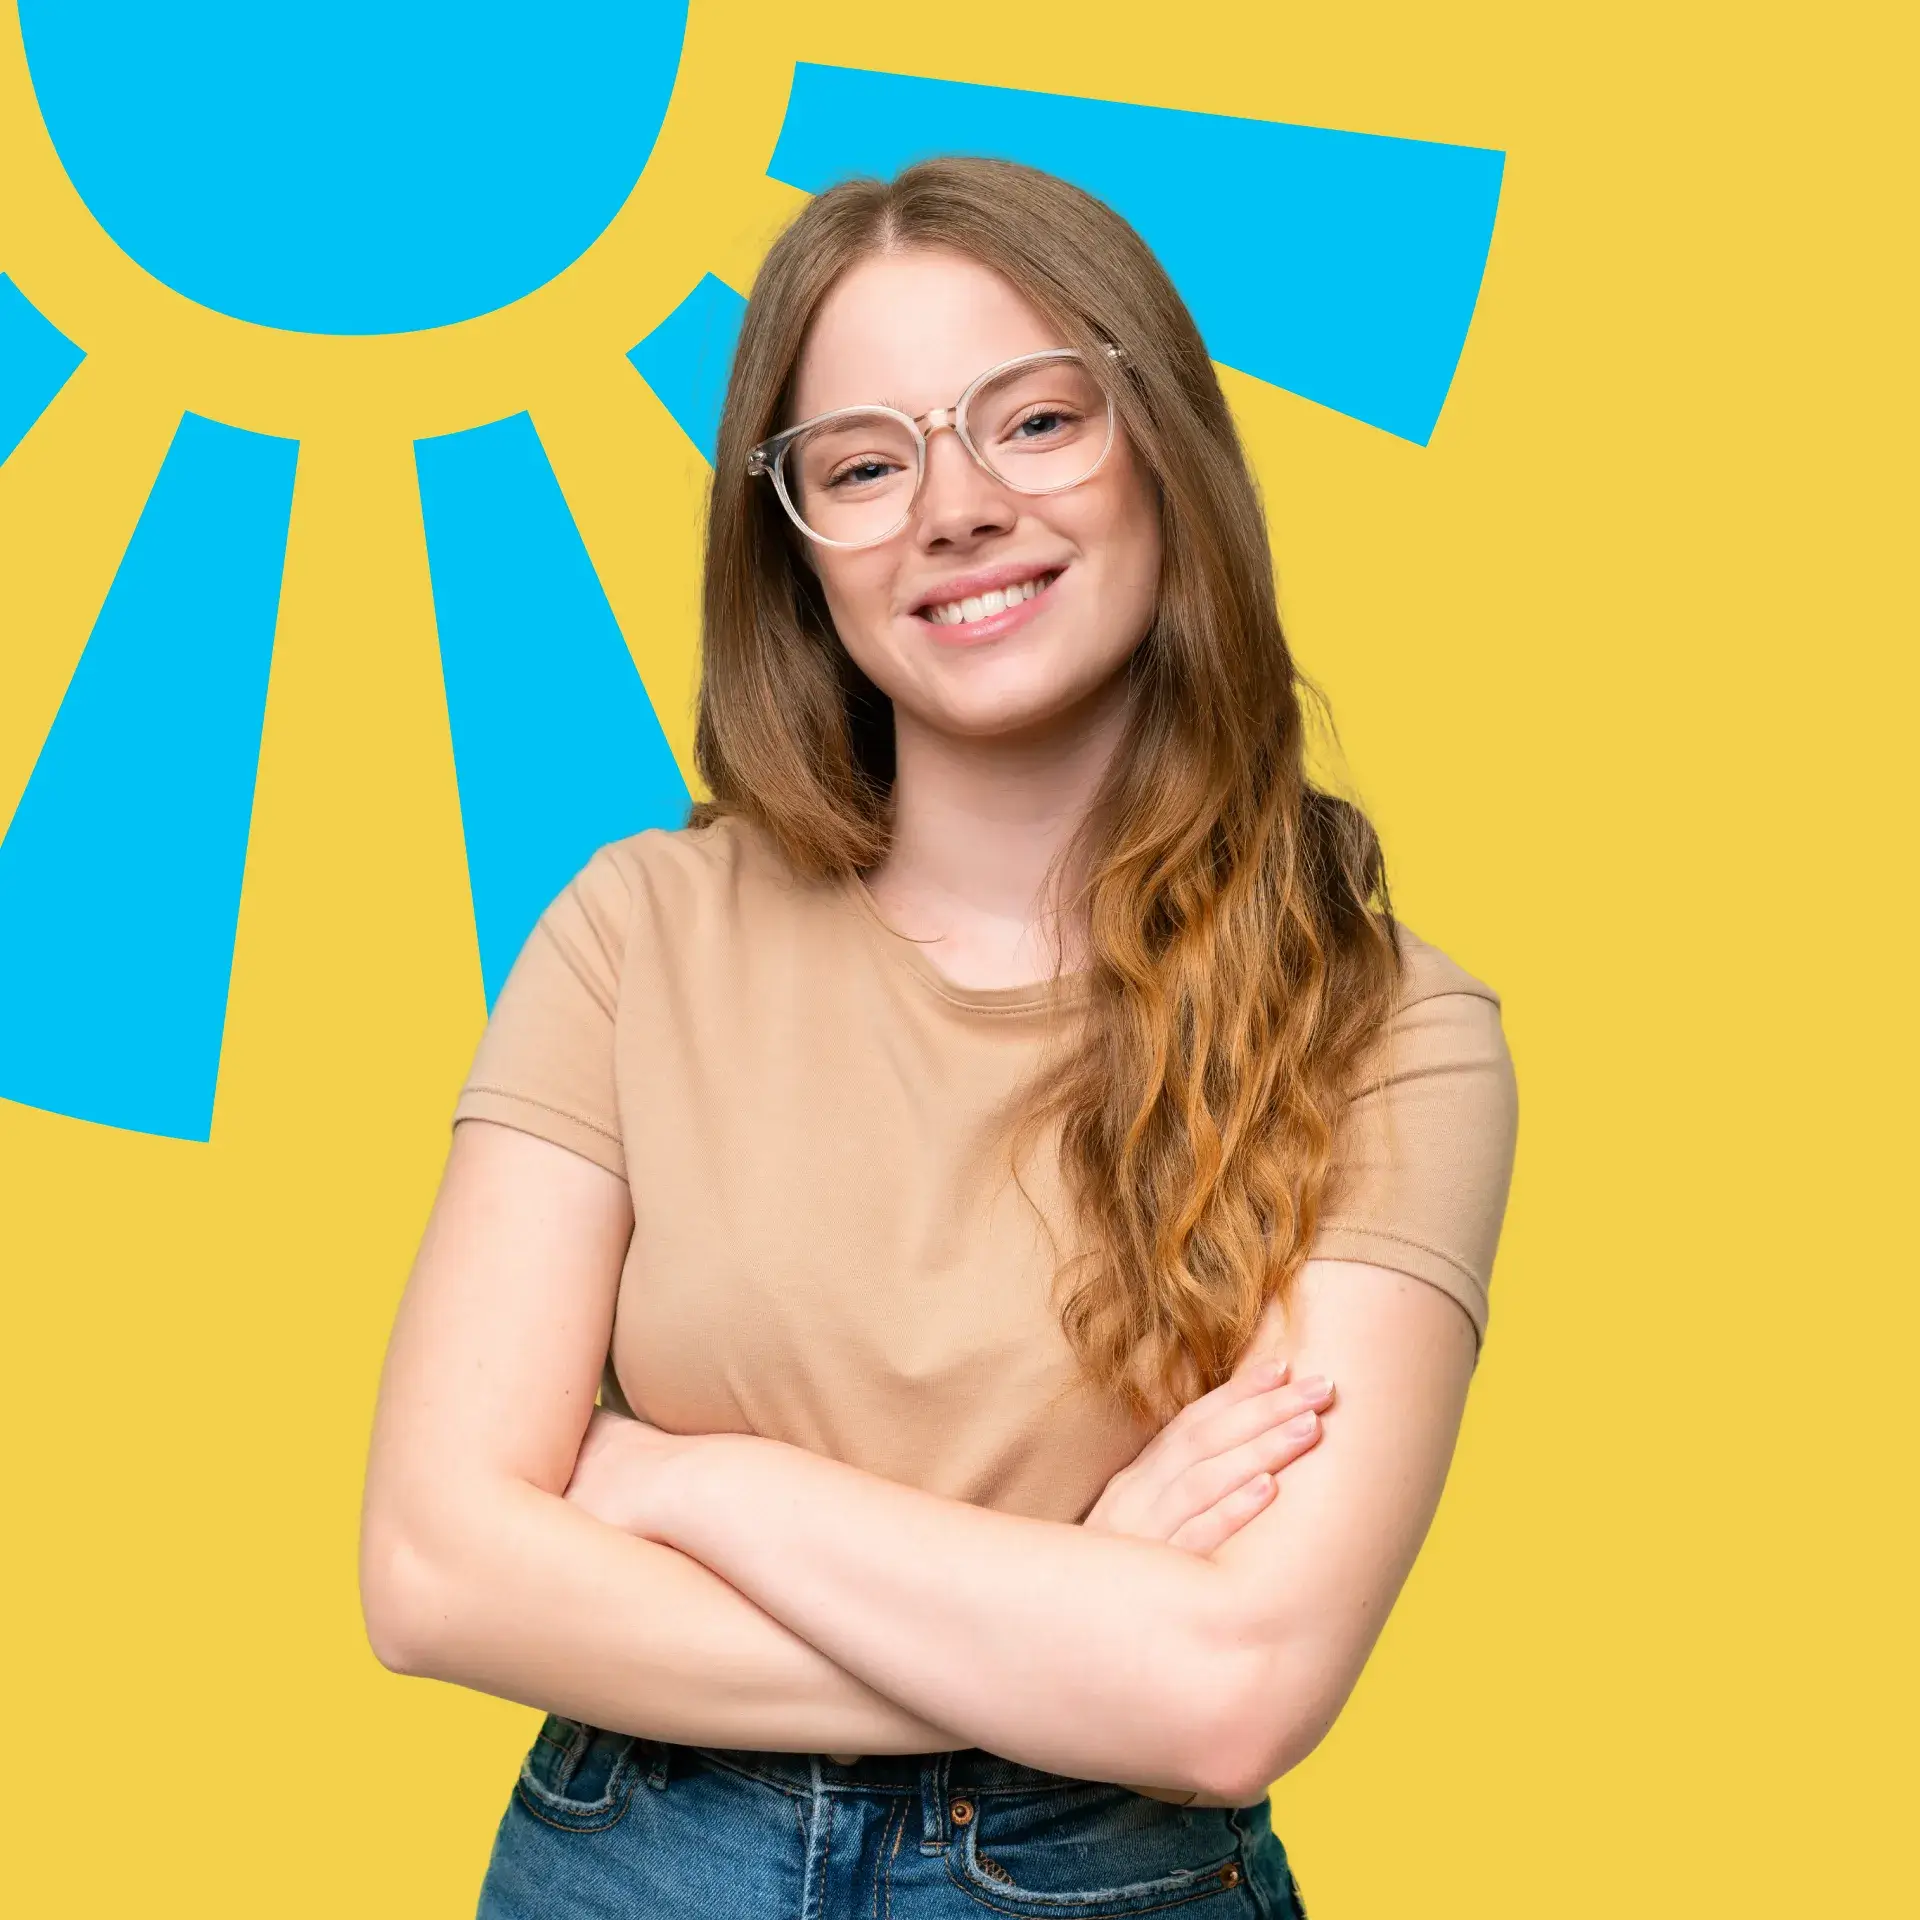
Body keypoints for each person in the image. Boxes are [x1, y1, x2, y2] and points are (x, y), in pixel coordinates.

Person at [359, 155, 1519, 1920]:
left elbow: (1230, 1695)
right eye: (865, 465)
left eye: (1034, 420)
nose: (954, 508)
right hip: (632, 1865)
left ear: (1163, 451)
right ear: (800, 546)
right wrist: (1075, 1605)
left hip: (1105, 1883)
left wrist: (693, 1481)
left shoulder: (1383, 1034)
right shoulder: (635, 934)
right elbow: (437, 1570)